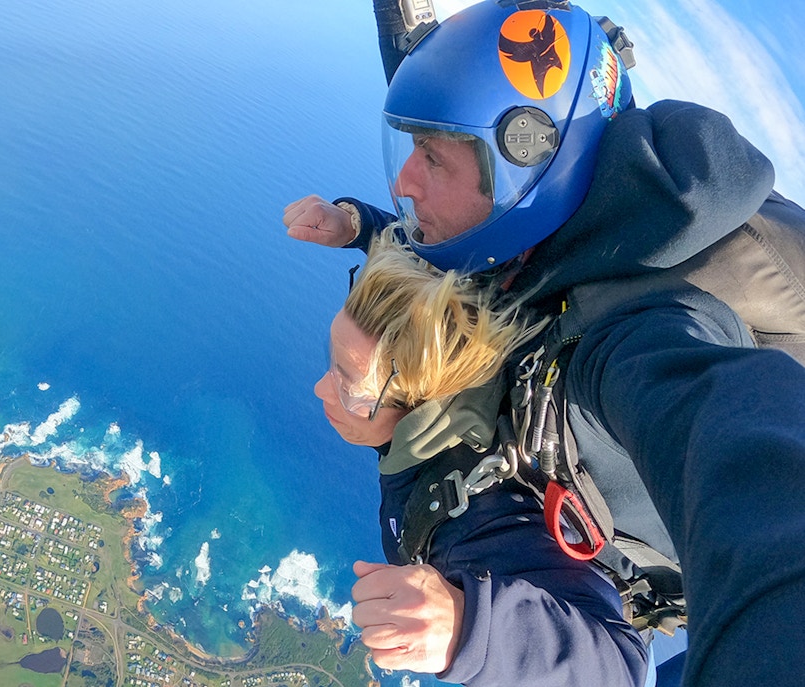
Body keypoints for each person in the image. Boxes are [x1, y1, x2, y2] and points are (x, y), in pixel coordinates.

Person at [284, 2, 805, 685]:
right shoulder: (568, 216)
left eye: (433, 156)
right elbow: (465, 263)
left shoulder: (638, 329)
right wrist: (359, 225)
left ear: (527, 164)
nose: (404, 182)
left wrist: (476, 630)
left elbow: (757, 467)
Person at [316, 230, 649, 685]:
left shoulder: (481, 521)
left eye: (349, 388)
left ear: (417, 404)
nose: (321, 390)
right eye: (332, 365)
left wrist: (470, 630)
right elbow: (433, 261)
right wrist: (357, 225)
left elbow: (623, 668)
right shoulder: (438, 415)